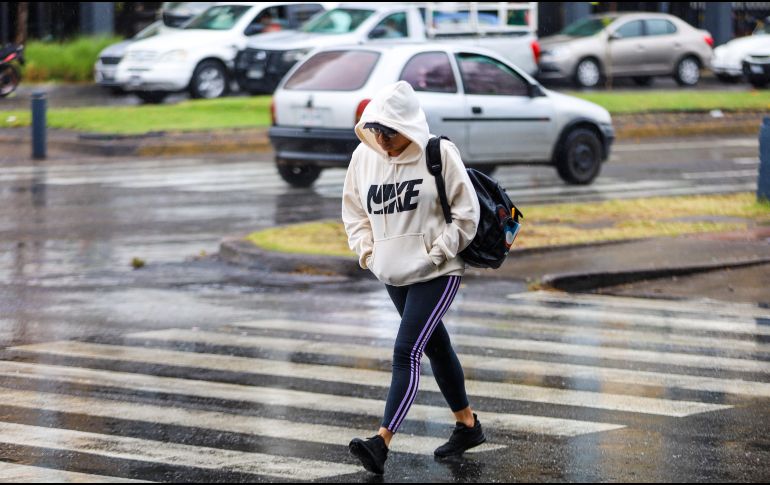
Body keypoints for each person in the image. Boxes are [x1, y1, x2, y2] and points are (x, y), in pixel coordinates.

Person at [341, 81, 483, 475]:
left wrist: (436, 252)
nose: (383, 140)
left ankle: (381, 441)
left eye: (391, 132)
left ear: (409, 127)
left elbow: (466, 214)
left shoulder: (438, 153)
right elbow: (353, 211)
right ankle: (467, 424)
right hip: (392, 272)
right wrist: (369, 253)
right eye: (377, 131)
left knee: (406, 351)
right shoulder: (364, 157)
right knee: (436, 346)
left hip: (438, 271)